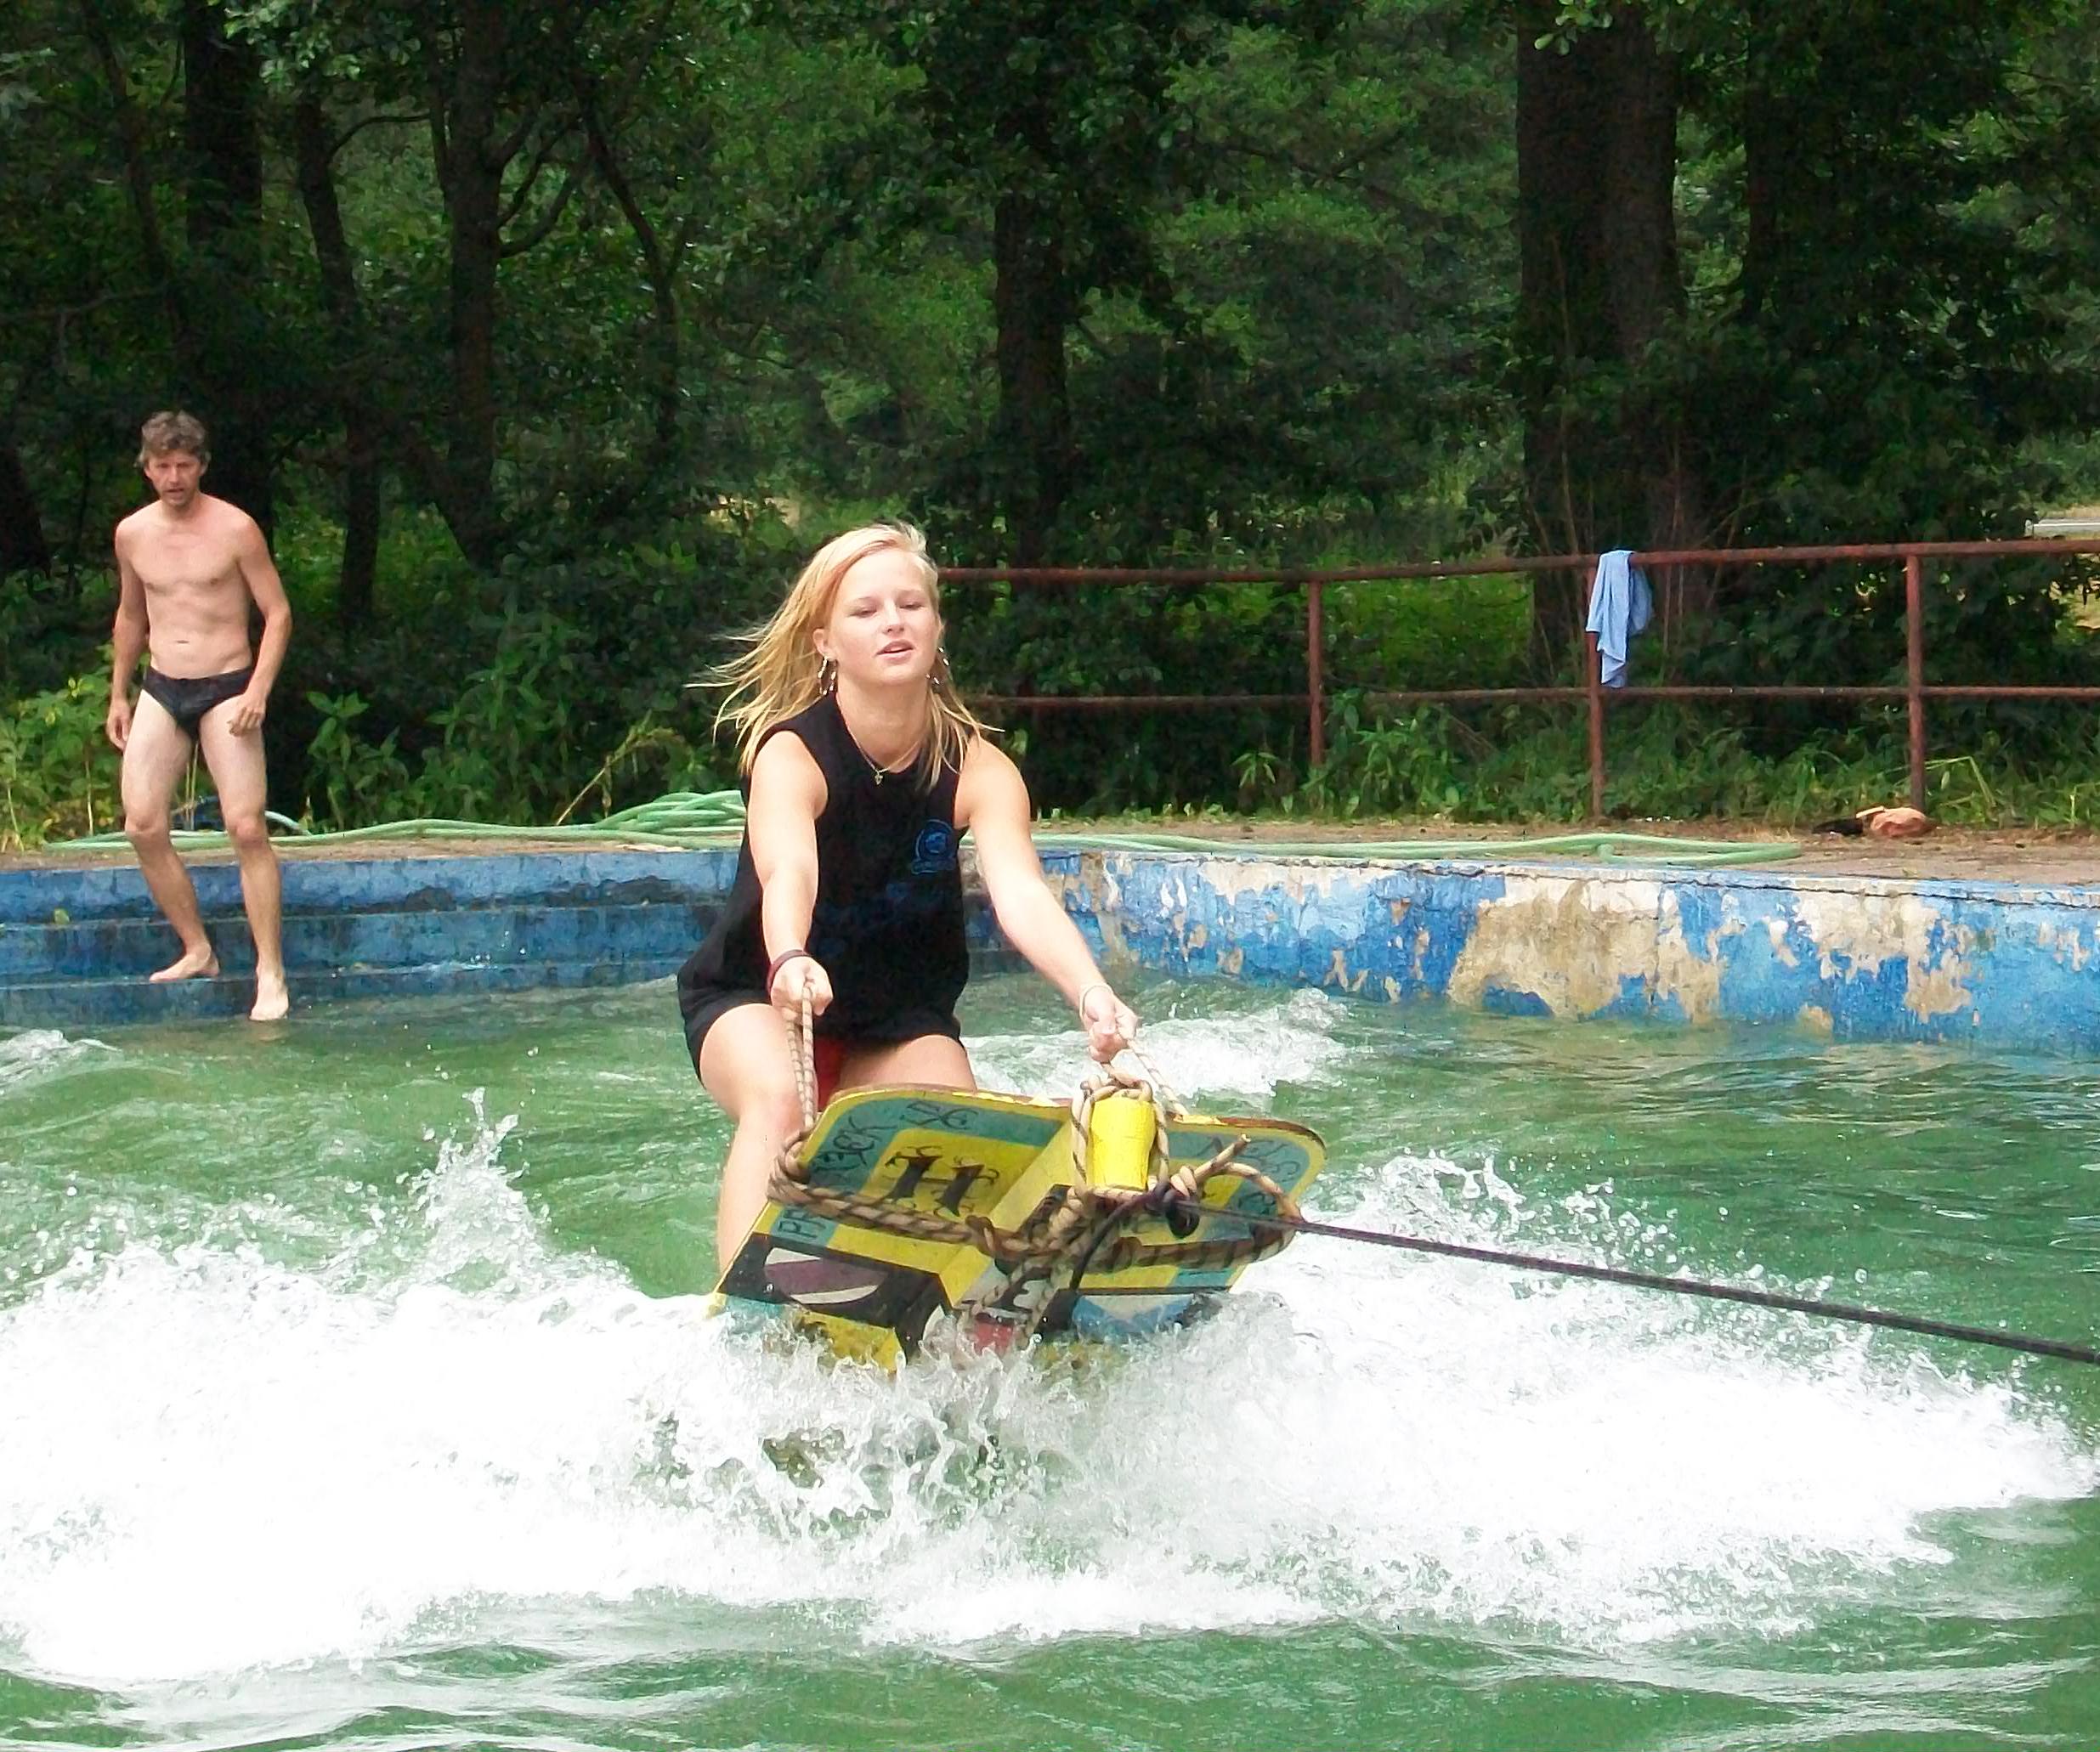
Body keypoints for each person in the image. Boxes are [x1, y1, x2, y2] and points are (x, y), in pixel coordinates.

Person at [679, 522, 1141, 1271]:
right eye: (865, 611)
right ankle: (738, 1302)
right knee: (783, 1098)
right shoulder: (791, 754)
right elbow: (789, 869)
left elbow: (1021, 892)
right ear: (825, 642)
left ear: (937, 626)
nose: (892, 622)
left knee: (954, 1121)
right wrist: (789, 955)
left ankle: (942, 1297)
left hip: (893, 1019)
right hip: (760, 997)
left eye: (910, 605)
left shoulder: (980, 768)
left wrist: (1090, 992)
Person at [104, 410, 293, 1022]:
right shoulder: (133, 533)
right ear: (147, 468)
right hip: (163, 684)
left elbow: (278, 612)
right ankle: (198, 948)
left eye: (184, 465)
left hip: (228, 685)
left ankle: (269, 971)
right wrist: (118, 693)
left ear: (202, 466)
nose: (174, 477)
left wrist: (259, 689)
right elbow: (131, 614)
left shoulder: (235, 527)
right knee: (142, 824)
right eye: (163, 466)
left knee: (245, 826)